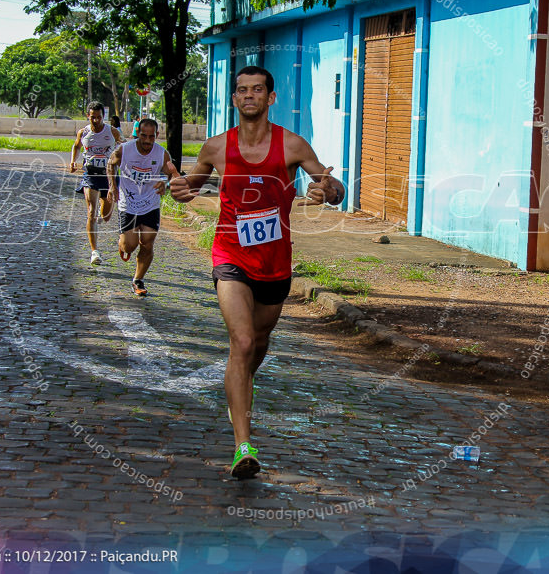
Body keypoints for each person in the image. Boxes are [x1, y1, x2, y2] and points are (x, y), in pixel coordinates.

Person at [170, 65, 344, 479]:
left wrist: (326, 192)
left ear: (271, 98)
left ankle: (238, 383)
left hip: (275, 263)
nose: (249, 96)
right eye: (242, 90)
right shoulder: (215, 148)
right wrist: (180, 191)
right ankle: (242, 445)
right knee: (242, 340)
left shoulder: (291, 145)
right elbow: (190, 187)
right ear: (233, 99)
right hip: (229, 256)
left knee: (256, 345)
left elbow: (334, 189)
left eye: (258, 90)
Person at [109, 117, 182, 296]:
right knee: (130, 246)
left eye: (151, 137)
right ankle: (123, 244)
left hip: (150, 204)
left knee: (147, 243)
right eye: (143, 136)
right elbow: (110, 164)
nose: (147, 141)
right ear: (137, 134)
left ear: (156, 135)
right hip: (129, 203)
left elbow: (174, 175)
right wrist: (112, 186)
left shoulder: (161, 153)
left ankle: (138, 280)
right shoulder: (124, 150)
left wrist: (165, 182)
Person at [70, 101, 116, 265]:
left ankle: (100, 219)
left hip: (108, 176)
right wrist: (73, 162)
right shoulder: (83, 132)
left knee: (106, 215)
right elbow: (76, 147)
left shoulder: (112, 132)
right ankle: (94, 252)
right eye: (92, 117)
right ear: (87, 116)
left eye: (99, 117)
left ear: (103, 116)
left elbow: (124, 147)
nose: (96, 121)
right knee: (91, 211)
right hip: (90, 174)